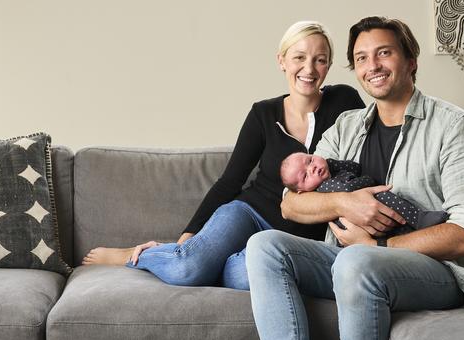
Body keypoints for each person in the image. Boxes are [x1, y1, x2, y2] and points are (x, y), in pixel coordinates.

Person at [246, 16, 464, 340]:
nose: (372, 66)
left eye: (384, 53)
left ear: (411, 61)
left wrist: (376, 246)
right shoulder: (347, 127)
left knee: (356, 260)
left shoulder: (454, 127)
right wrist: (346, 203)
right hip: (350, 258)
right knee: (263, 246)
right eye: (362, 58)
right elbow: (291, 204)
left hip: (439, 270)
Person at [81, 20, 365, 290]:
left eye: (320, 59)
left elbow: (370, 148)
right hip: (248, 214)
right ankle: (145, 255)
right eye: (299, 57)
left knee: (248, 277)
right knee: (187, 269)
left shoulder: (345, 101)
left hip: (296, 239)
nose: (309, 68)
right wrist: (186, 242)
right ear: (282, 61)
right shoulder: (262, 114)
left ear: (328, 65)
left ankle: (193, 260)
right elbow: (230, 181)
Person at [279, 151, 449, 235]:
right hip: (357, 224)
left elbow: (355, 166)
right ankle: (419, 219)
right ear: (301, 191)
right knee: (382, 196)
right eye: (306, 175)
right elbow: (348, 189)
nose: (313, 167)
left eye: (310, 160)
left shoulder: (329, 172)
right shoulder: (325, 187)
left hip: (365, 215)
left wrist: (330, 163)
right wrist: (368, 181)